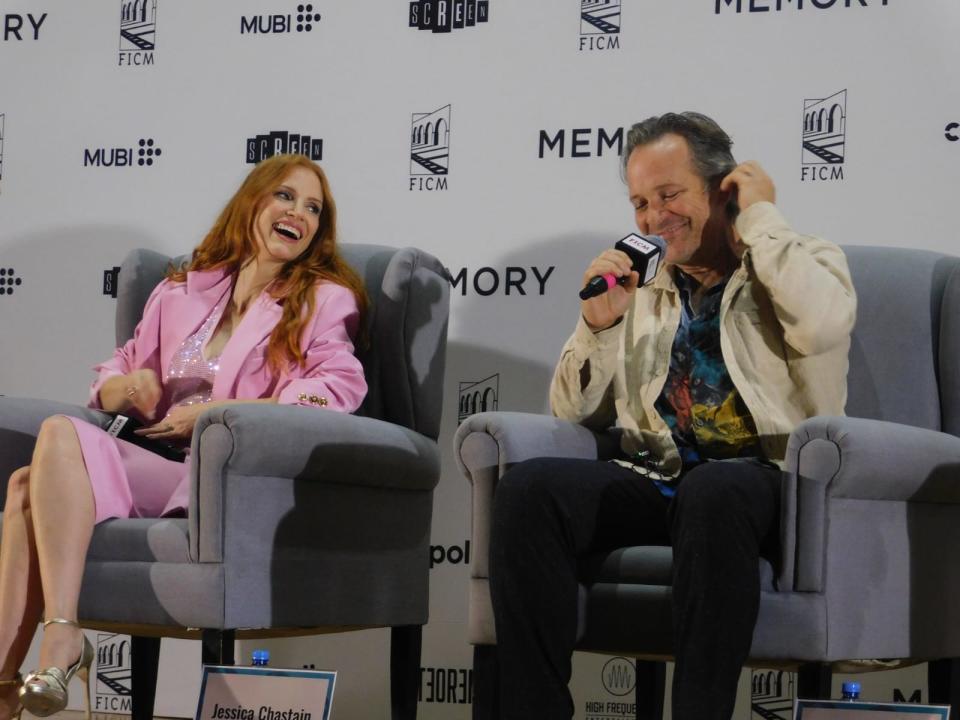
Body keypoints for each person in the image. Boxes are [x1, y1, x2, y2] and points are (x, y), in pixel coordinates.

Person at [487, 112, 856, 719]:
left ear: (722, 188)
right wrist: (600, 325)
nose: (653, 218)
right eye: (639, 202)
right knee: (530, 488)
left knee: (714, 489)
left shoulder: (799, 261)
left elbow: (820, 326)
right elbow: (570, 412)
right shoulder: (646, 288)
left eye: (668, 194)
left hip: (768, 484)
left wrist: (759, 217)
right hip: (661, 483)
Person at [0, 154, 368, 719]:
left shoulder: (321, 298)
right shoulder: (182, 291)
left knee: (43, 459)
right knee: (28, 482)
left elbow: (337, 389)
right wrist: (130, 386)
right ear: (253, 202)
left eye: (314, 208)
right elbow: (112, 374)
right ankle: (11, 682)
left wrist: (226, 412)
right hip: (147, 450)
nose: (300, 213)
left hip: (211, 470)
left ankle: (60, 638)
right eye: (286, 197)